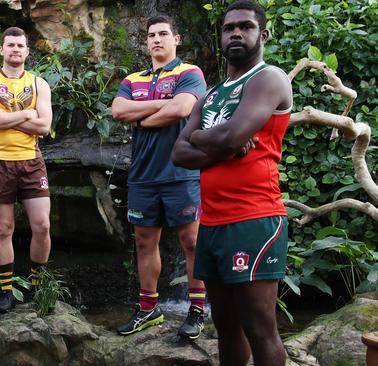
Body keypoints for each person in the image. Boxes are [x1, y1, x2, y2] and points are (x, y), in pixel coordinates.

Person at [172, 1, 292, 364]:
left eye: (246, 27)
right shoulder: (210, 94)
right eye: (229, 28)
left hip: (254, 219)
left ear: (263, 34)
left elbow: (230, 134)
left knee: (259, 327)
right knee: (226, 326)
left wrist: (209, 139)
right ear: (221, 36)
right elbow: (179, 153)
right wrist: (225, 143)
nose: (236, 33)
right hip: (212, 223)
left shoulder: (269, 79)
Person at [110, 15, 207, 338]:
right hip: (143, 174)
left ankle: (196, 310)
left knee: (191, 242)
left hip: (182, 172)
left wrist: (145, 117)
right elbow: (119, 111)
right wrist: (161, 105)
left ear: (176, 39)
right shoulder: (132, 78)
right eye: (151, 35)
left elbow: (182, 108)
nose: (156, 39)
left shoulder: (190, 72)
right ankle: (148, 309)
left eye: (163, 33)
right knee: (144, 242)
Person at [0, 27, 53, 313]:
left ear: (27, 51)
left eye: (20, 45)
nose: (15, 50)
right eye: (10, 45)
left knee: (42, 226)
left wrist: (4, 118)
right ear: (1, 49)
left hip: (32, 161)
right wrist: (25, 115)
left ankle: (37, 284)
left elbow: (44, 126)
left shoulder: (39, 83)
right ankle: (6, 291)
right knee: (4, 228)